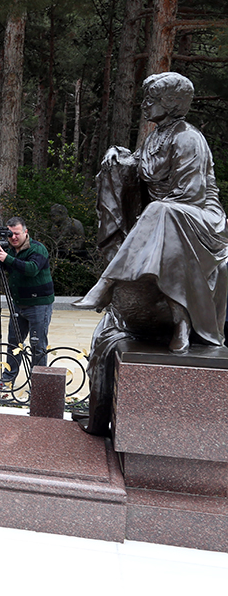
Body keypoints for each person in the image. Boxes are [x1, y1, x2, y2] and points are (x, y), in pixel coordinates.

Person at [73, 72, 228, 435]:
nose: (144, 105)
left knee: (159, 212)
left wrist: (152, 213)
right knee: (157, 212)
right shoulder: (156, 136)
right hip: (165, 216)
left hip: (201, 217)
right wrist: (118, 157)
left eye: (151, 99)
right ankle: (174, 315)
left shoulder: (189, 138)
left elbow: (191, 194)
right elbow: (140, 169)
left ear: (171, 104)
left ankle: (109, 284)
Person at [0, 216, 55, 391]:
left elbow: (31, 269)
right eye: (10, 234)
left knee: (38, 345)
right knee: (14, 343)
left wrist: (7, 259)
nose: (13, 237)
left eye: (16, 234)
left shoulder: (37, 249)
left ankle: (39, 383)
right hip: (18, 303)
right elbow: (6, 267)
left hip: (39, 304)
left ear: (25, 232)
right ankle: (8, 378)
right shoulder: (8, 250)